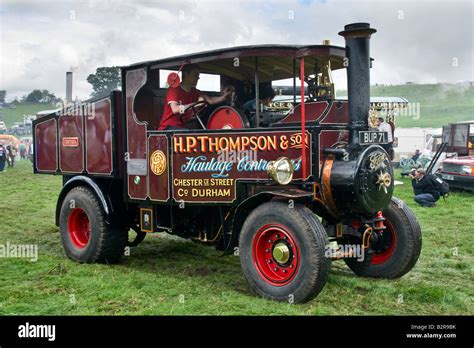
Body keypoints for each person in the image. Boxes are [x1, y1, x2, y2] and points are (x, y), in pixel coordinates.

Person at [158, 65, 232, 130]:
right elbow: (175, 109)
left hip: (183, 127)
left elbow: (210, 100)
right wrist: (196, 104)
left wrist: (223, 97)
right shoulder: (174, 89)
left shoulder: (195, 92)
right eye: (195, 74)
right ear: (186, 74)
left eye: (198, 75)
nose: (198, 78)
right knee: (188, 134)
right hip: (168, 128)